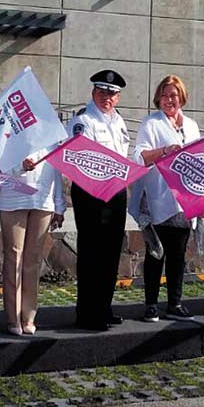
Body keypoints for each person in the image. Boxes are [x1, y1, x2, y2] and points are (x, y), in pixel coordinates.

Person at [67, 70, 132, 331]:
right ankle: (87, 313)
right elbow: (80, 156)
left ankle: (104, 307)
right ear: (94, 92)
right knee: (91, 253)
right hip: (91, 193)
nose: (107, 97)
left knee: (111, 252)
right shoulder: (83, 121)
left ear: (118, 97)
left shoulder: (119, 121)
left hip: (116, 192)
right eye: (103, 92)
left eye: (112, 94)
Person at [133, 75, 200, 322]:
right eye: (164, 95)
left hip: (184, 201)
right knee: (155, 254)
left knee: (177, 257)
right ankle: (151, 304)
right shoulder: (150, 123)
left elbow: (199, 162)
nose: (169, 100)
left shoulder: (191, 126)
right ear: (157, 98)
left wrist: (202, 200)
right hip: (157, 198)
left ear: (182, 97)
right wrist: (164, 151)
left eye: (173, 95)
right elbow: (140, 157)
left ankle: (175, 303)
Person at [0, 148, 66, 336]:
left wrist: (59, 206)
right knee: (14, 256)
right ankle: (14, 317)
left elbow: (56, 170)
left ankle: (29, 316)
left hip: (42, 201)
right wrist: (20, 167)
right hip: (13, 200)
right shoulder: (7, 134)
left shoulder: (51, 136)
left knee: (33, 259)